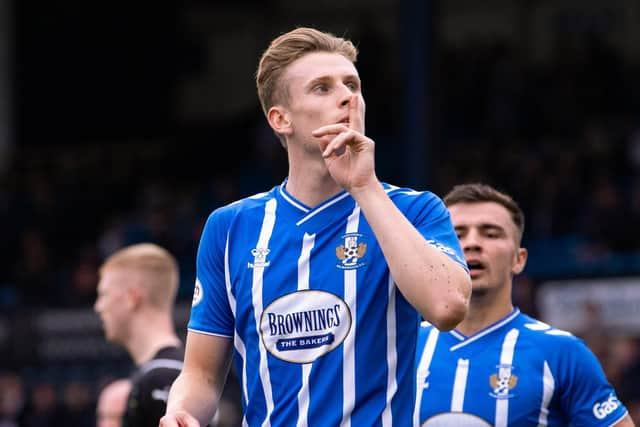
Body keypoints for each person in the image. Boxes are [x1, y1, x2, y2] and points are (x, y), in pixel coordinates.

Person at [160, 26, 471, 427]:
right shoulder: (229, 227)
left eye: (352, 85)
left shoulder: (414, 210)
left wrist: (364, 186)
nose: (347, 96)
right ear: (280, 119)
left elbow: (448, 307)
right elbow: (201, 373)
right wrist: (181, 412)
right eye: (322, 88)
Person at [414, 183, 635, 427]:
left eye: (491, 233)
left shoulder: (562, 353)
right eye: (457, 234)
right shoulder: (401, 349)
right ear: (435, 251)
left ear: (519, 260)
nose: (472, 243)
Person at [94, 243, 185, 427]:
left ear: (131, 298)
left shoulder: (163, 376)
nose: (98, 306)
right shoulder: (167, 372)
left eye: (104, 294)